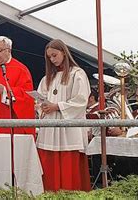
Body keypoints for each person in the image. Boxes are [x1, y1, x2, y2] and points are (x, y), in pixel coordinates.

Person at [36, 39, 91, 192]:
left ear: (64, 53)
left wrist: (57, 106)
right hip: (50, 128)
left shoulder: (77, 74)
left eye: (54, 55)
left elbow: (81, 100)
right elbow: (40, 98)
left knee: (69, 167)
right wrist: (42, 106)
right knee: (49, 165)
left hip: (68, 129)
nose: (52, 60)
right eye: (49, 57)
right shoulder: (47, 78)